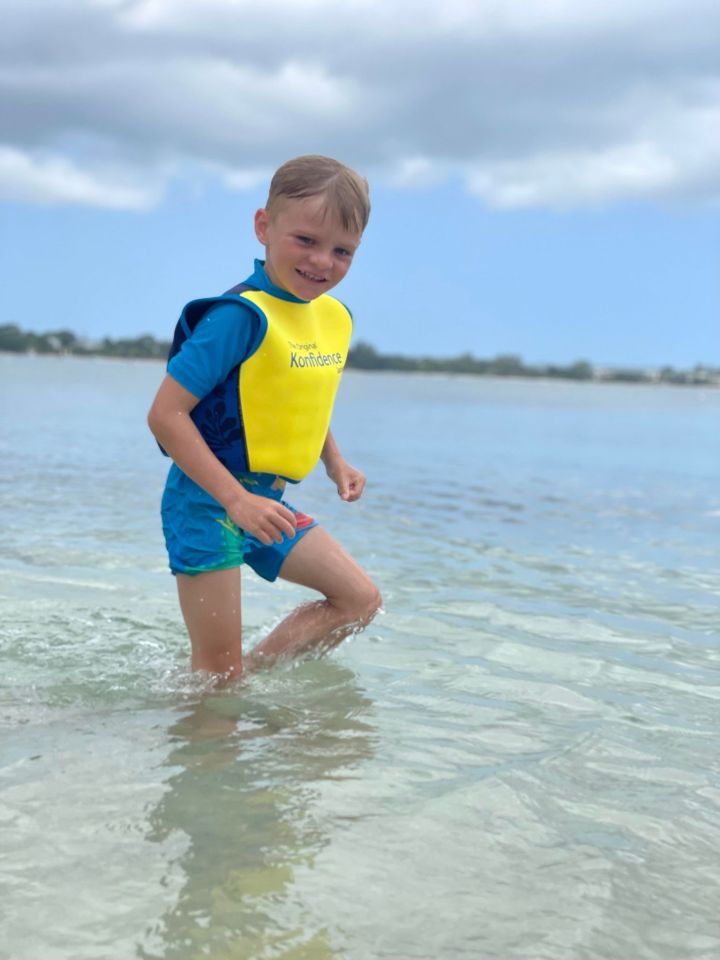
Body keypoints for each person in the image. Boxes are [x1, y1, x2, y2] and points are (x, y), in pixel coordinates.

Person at [147, 155, 382, 680]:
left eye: (342, 251)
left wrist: (335, 462)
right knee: (216, 677)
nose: (322, 261)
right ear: (264, 226)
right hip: (207, 505)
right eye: (306, 240)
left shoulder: (333, 317)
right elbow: (165, 415)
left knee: (358, 600)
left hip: (268, 503)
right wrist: (235, 499)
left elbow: (295, 398)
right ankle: (210, 720)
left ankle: (249, 676)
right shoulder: (238, 317)